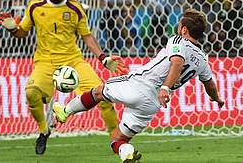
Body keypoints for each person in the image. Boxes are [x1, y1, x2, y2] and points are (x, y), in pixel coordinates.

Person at [53, 9, 225, 162]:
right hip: (151, 104)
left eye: (179, 25)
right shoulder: (203, 59)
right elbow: (209, 83)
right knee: (117, 140)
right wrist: (216, 99)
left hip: (140, 85)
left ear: (184, 29)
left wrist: (165, 87)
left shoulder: (178, 40)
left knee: (98, 92)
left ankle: (65, 112)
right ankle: (126, 152)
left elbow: (177, 63)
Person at [0, 0, 127, 155]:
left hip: (73, 60)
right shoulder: (35, 6)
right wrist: (12, 28)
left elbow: (86, 36)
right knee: (31, 93)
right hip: (45, 61)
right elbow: (22, 32)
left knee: (104, 95)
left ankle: (117, 140)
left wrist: (103, 58)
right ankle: (44, 131)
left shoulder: (75, 8)